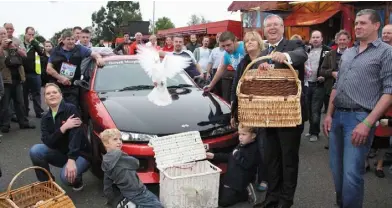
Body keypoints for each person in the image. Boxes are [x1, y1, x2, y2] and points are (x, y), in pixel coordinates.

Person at [323, 9, 392, 208]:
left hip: (360, 118)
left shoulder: (386, 52)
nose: (357, 27)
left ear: (376, 26)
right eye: (356, 23)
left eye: (362, 23)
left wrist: (368, 122)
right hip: (337, 117)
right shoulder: (349, 52)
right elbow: (337, 86)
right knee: (336, 171)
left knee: (351, 174)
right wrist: (328, 114)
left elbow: (389, 91)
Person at [253, 14, 307, 208]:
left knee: (288, 160)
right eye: (268, 26)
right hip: (269, 114)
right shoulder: (263, 52)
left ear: (283, 27)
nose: (272, 28)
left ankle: (286, 201)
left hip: (289, 114)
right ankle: (272, 198)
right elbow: (255, 77)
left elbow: (302, 55)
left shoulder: (293, 46)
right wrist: (261, 69)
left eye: (276, 25)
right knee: (271, 160)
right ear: (264, 30)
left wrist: (285, 57)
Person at [29, 83, 91, 191]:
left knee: (66, 179)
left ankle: (77, 178)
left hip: (80, 154)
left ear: (61, 95)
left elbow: (76, 136)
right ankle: (47, 184)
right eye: (48, 93)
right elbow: (48, 141)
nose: (52, 95)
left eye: (54, 92)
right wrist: (63, 128)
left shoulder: (70, 109)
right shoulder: (45, 118)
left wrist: (71, 160)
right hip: (63, 153)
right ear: (45, 99)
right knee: (35, 151)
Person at [230, 31, 268, 192]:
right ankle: (250, 176)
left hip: (267, 109)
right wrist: (234, 112)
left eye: (253, 40)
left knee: (265, 145)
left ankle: (265, 177)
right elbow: (235, 88)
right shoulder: (243, 63)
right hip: (247, 108)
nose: (249, 43)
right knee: (250, 144)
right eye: (246, 41)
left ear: (259, 42)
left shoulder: (268, 58)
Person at [100, 128, 163, 208]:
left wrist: (111, 200)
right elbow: (135, 163)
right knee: (156, 205)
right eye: (115, 139)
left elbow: (107, 184)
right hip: (138, 191)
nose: (119, 142)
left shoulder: (106, 160)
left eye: (120, 139)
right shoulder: (120, 155)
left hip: (126, 191)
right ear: (106, 143)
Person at [206, 124, 259, 207]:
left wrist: (237, 155)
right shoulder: (242, 144)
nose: (240, 137)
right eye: (239, 134)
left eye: (244, 134)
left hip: (240, 182)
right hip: (231, 177)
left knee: (222, 202)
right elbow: (230, 156)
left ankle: (245, 194)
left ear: (253, 136)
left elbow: (247, 164)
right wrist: (213, 156)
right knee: (214, 193)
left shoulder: (254, 149)